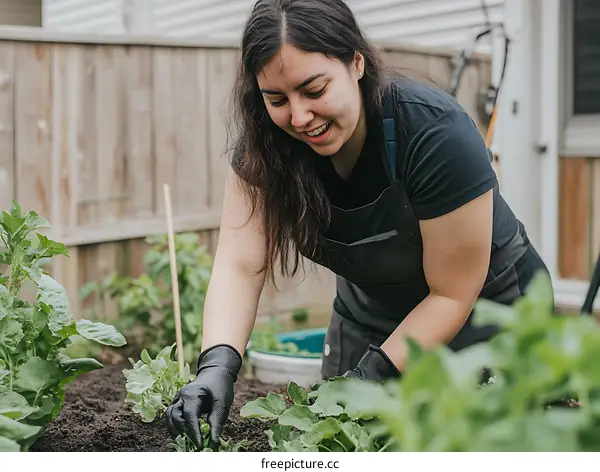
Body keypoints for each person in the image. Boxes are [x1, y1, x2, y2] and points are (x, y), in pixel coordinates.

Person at [165, 0, 550, 449]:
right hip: (370, 317)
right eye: (277, 99)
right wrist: (216, 367)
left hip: (490, 310)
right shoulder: (266, 147)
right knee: (338, 446)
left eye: (314, 89)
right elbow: (239, 265)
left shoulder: (433, 133)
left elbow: (452, 293)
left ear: (357, 63)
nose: (300, 116)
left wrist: (373, 377)